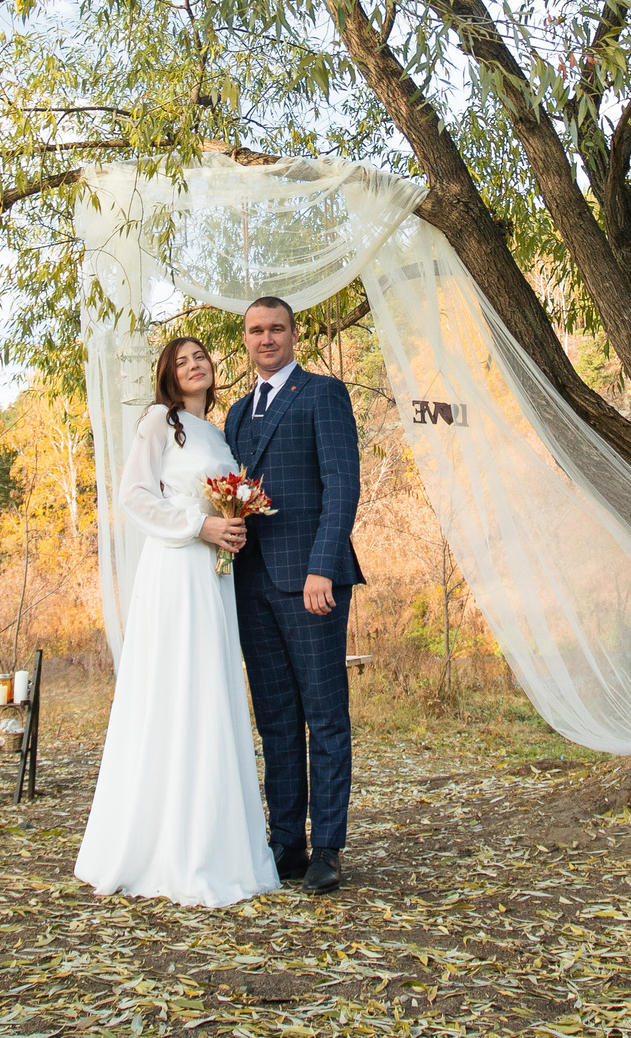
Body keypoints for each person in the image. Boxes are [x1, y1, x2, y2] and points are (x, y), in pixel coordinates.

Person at [73, 337, 281, 907]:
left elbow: (226, 500)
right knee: (174, 691)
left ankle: (218, 844)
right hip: (174, 570)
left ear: (214, 370)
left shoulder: (218, 433)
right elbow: (134, 496)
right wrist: (199, 526)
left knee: (211, 692)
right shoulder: (157, 423)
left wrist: (231, 526)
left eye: (202, 358)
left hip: (215, 577)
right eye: (181, 361)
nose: (194, 366)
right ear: (168, 374)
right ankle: (161, 846)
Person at [223, 295, 366, 894]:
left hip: (311, 584)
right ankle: (288, 842)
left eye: (276, 328)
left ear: (293, 333)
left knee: (324, 716)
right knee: (277, 721)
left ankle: (328, 846)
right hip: (250, 584)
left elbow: (342, 486)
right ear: (248, 338)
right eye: (256, 330)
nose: (266, 339)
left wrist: (322, 569)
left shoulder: (323, 395)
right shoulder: (233, 413)